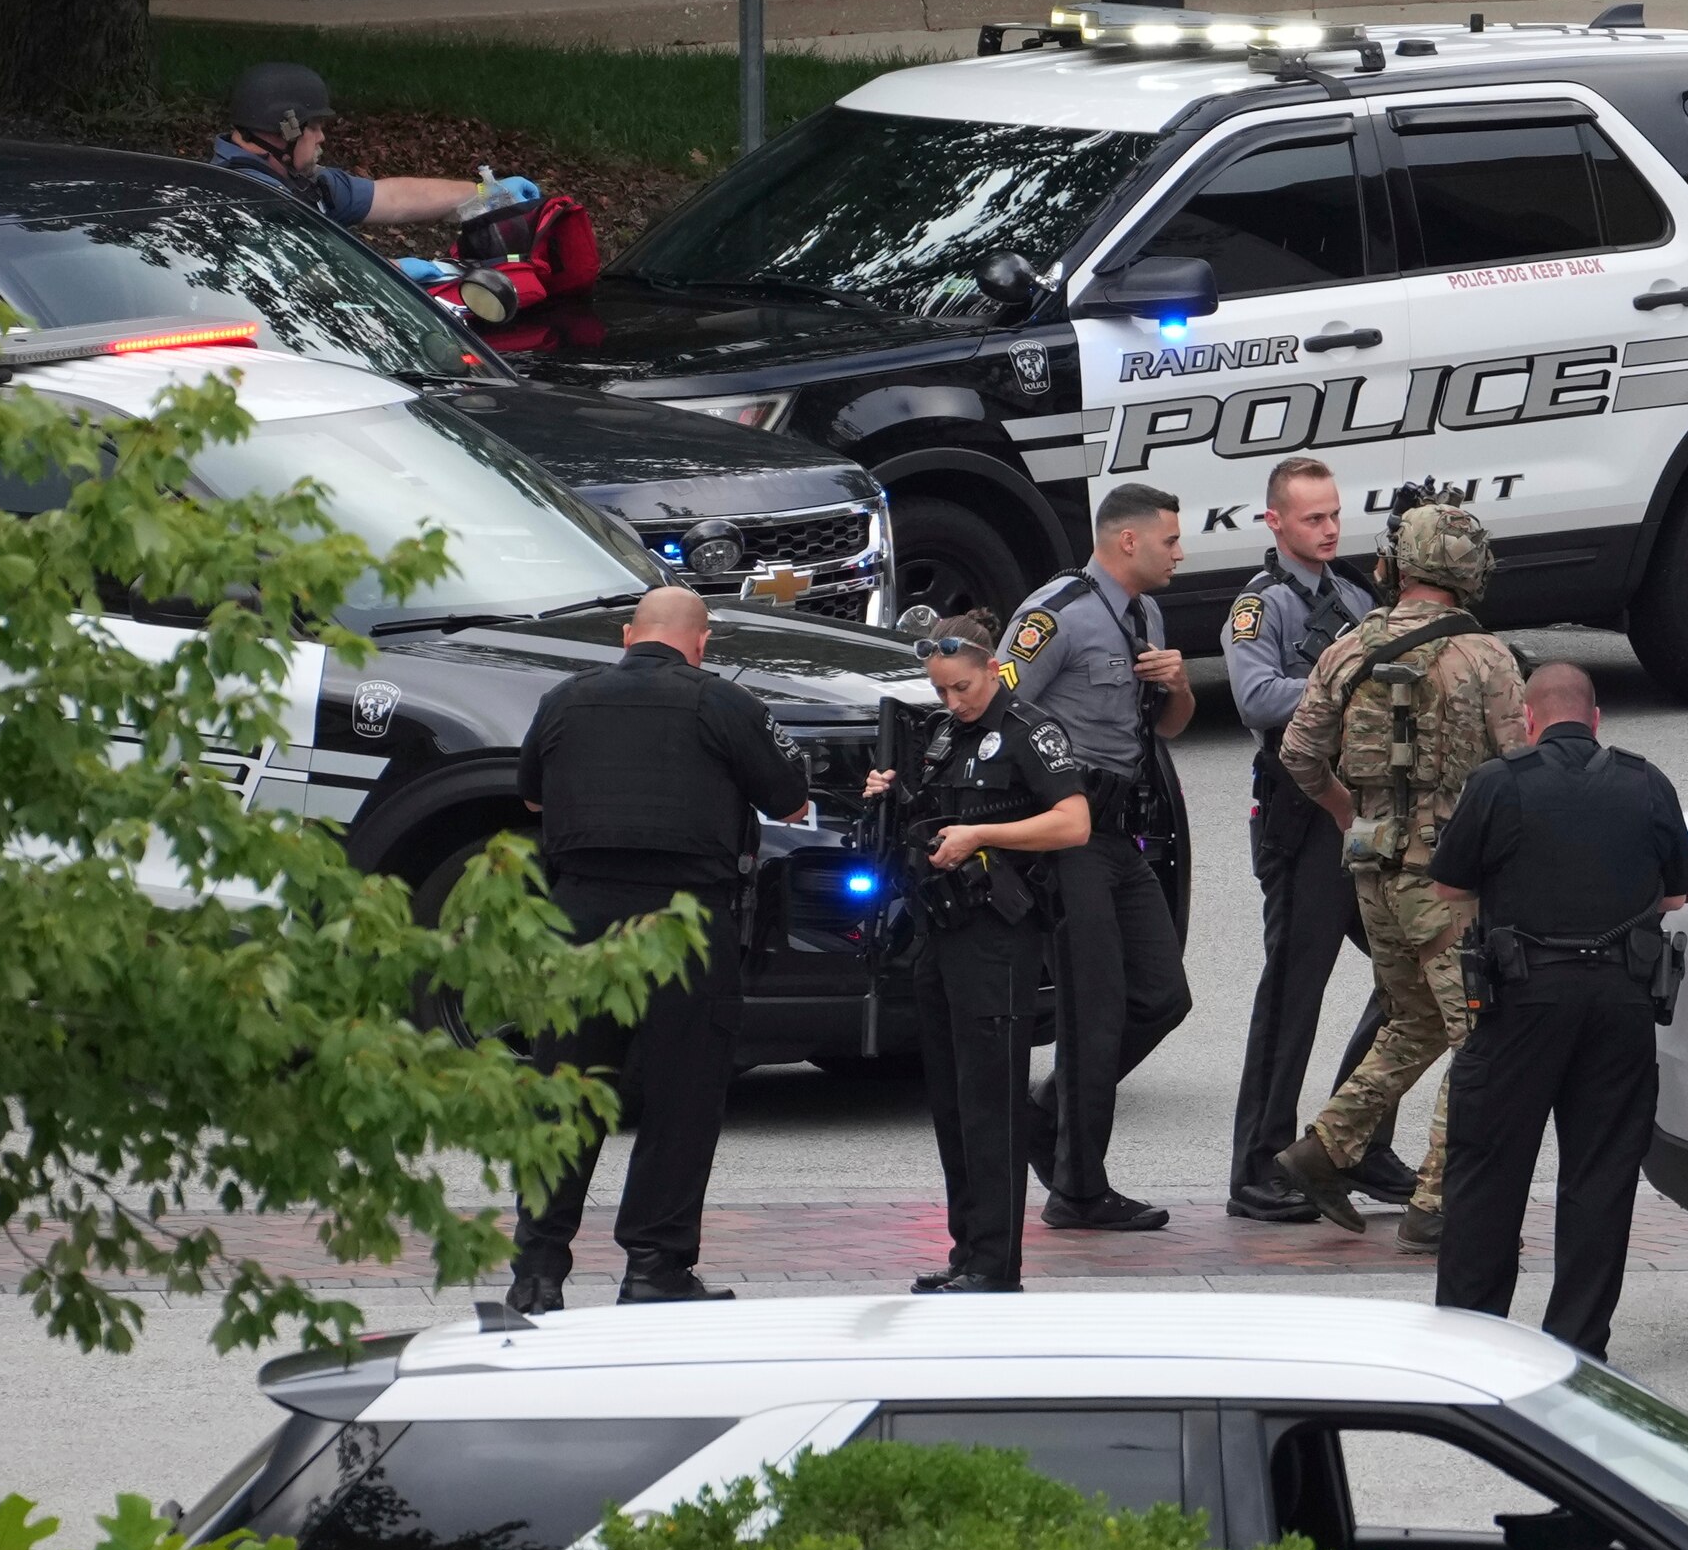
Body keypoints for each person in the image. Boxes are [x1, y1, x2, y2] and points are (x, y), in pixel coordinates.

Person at [502, 584, 814, 1312]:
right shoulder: (725, 703)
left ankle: (537, 1271)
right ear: (702, 643)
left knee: (565, 1094)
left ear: (625, 634)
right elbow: (792, 800)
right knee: (681, 1100)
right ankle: (654, 1268)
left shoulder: (564, 700)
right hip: (685, 923)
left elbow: (531, 798)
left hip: (580, 915)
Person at [1428, 661, 1688, 1358]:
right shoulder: (1647, 782)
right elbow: (1676, 896)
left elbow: (1447, 886)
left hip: (1522, 1002)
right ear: (1596, 719)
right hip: (1619, 1005)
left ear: (1529, 718)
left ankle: (1471, 1336)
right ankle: (1578, 1344)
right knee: (1600, 1176)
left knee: (1489, 1169)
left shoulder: (1498, 784)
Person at [1274, 498, 1525, 1247]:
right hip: (1448, 878)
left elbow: (1297, 754)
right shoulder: (1486, 658)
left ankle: (1325, 1149)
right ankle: (1439, 1200)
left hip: (1372, 868)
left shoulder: (1348, 649)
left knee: (1412, 1019)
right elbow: (1518, 772)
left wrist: (1350, 810)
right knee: (1480, 1034)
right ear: (1468, 569)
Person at [868, 614, 1090, 1293]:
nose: (952, 701)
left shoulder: (1029, 730)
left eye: (961, 687)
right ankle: (967, 1251)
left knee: (992, 1102)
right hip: (944, 929)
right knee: (953, 1101)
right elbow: (931, 822)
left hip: (999, 935)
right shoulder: (942, 736)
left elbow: (1073, 822)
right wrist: (890, 798)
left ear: (992, 669)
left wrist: (980, 833)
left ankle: (997, 1263)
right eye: (941, 691)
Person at [1219, 460, 1412, 1222]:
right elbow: (1254, 695)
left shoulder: (1361, 595)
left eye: (1334, 515)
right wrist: (1349, 676)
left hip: (1362, 810)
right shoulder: (1258, 606)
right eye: (1312, 518)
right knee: (1293, 996)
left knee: (1406, 972)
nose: (1329, 529)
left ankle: (1354, 1138)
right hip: (1301, 813)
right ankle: (1257, 1166)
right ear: (1275, 522)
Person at [1001, 483, 1197, 1230]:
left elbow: (1171, 726)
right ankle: (1079, 1189)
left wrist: (1177, 686)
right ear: (1127, 541)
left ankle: (1051, 1120)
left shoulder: (1144, 614)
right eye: (1170, 540)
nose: (1180, 552)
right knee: (1096, 1009)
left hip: (1121, 835)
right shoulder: (1057, 614)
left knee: (1162, 995)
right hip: (1067, 830)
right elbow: (998, 702)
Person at [212, 58, 518, 234]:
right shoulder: (245, 202)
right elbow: (314, 279)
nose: (322, 138)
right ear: (287, 129)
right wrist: (401, 277)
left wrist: (487, 193)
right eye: (315, 127)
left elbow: (394, 198)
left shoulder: (304, 184)